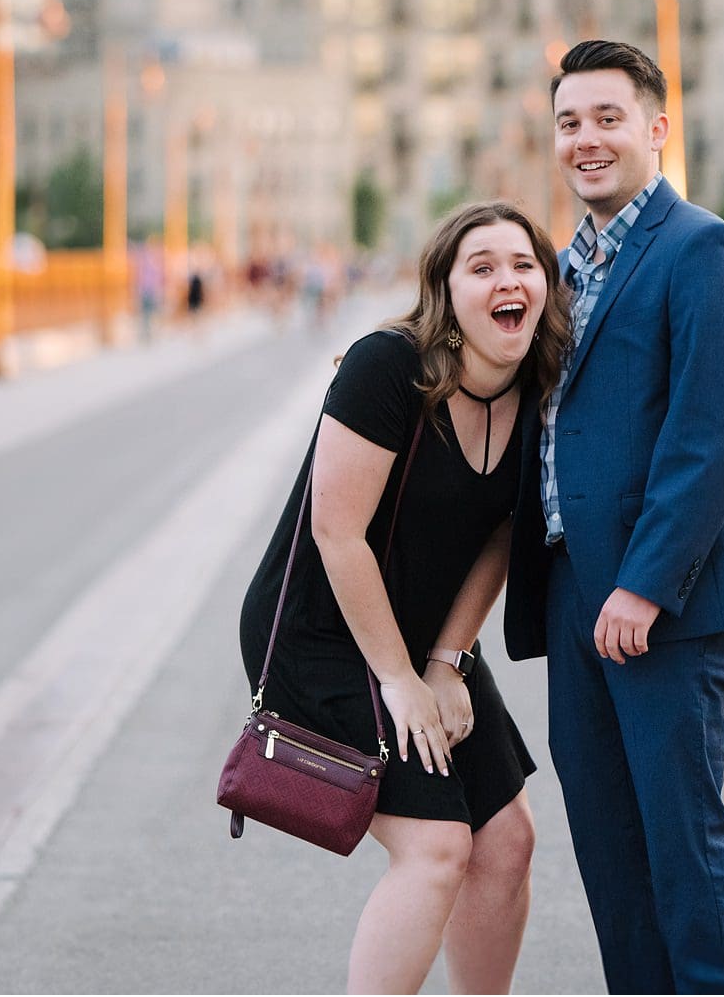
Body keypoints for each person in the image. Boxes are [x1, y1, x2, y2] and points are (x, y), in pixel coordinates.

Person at [238, 201, 571, 994]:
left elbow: (502, 532)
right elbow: (336, 532)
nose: (506, 280)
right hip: (321, 633)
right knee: (437, 847)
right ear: (446, 294)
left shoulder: (540, 386)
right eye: (481, 267)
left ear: (546, 290)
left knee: (506, 842)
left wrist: (448, 660)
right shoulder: (388, 366)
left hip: (424, 636)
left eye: (523, 265)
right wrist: (399, 679)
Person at [505, 38, 724, 994]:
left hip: (668, 606)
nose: (585, 139)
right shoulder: (564, 266)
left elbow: (710, 437)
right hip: (577, 592)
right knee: (613, 865)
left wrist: (645, 587)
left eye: (608, 118)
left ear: (658, 128)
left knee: (683, 854)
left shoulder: (703, 250)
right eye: (569, 122)